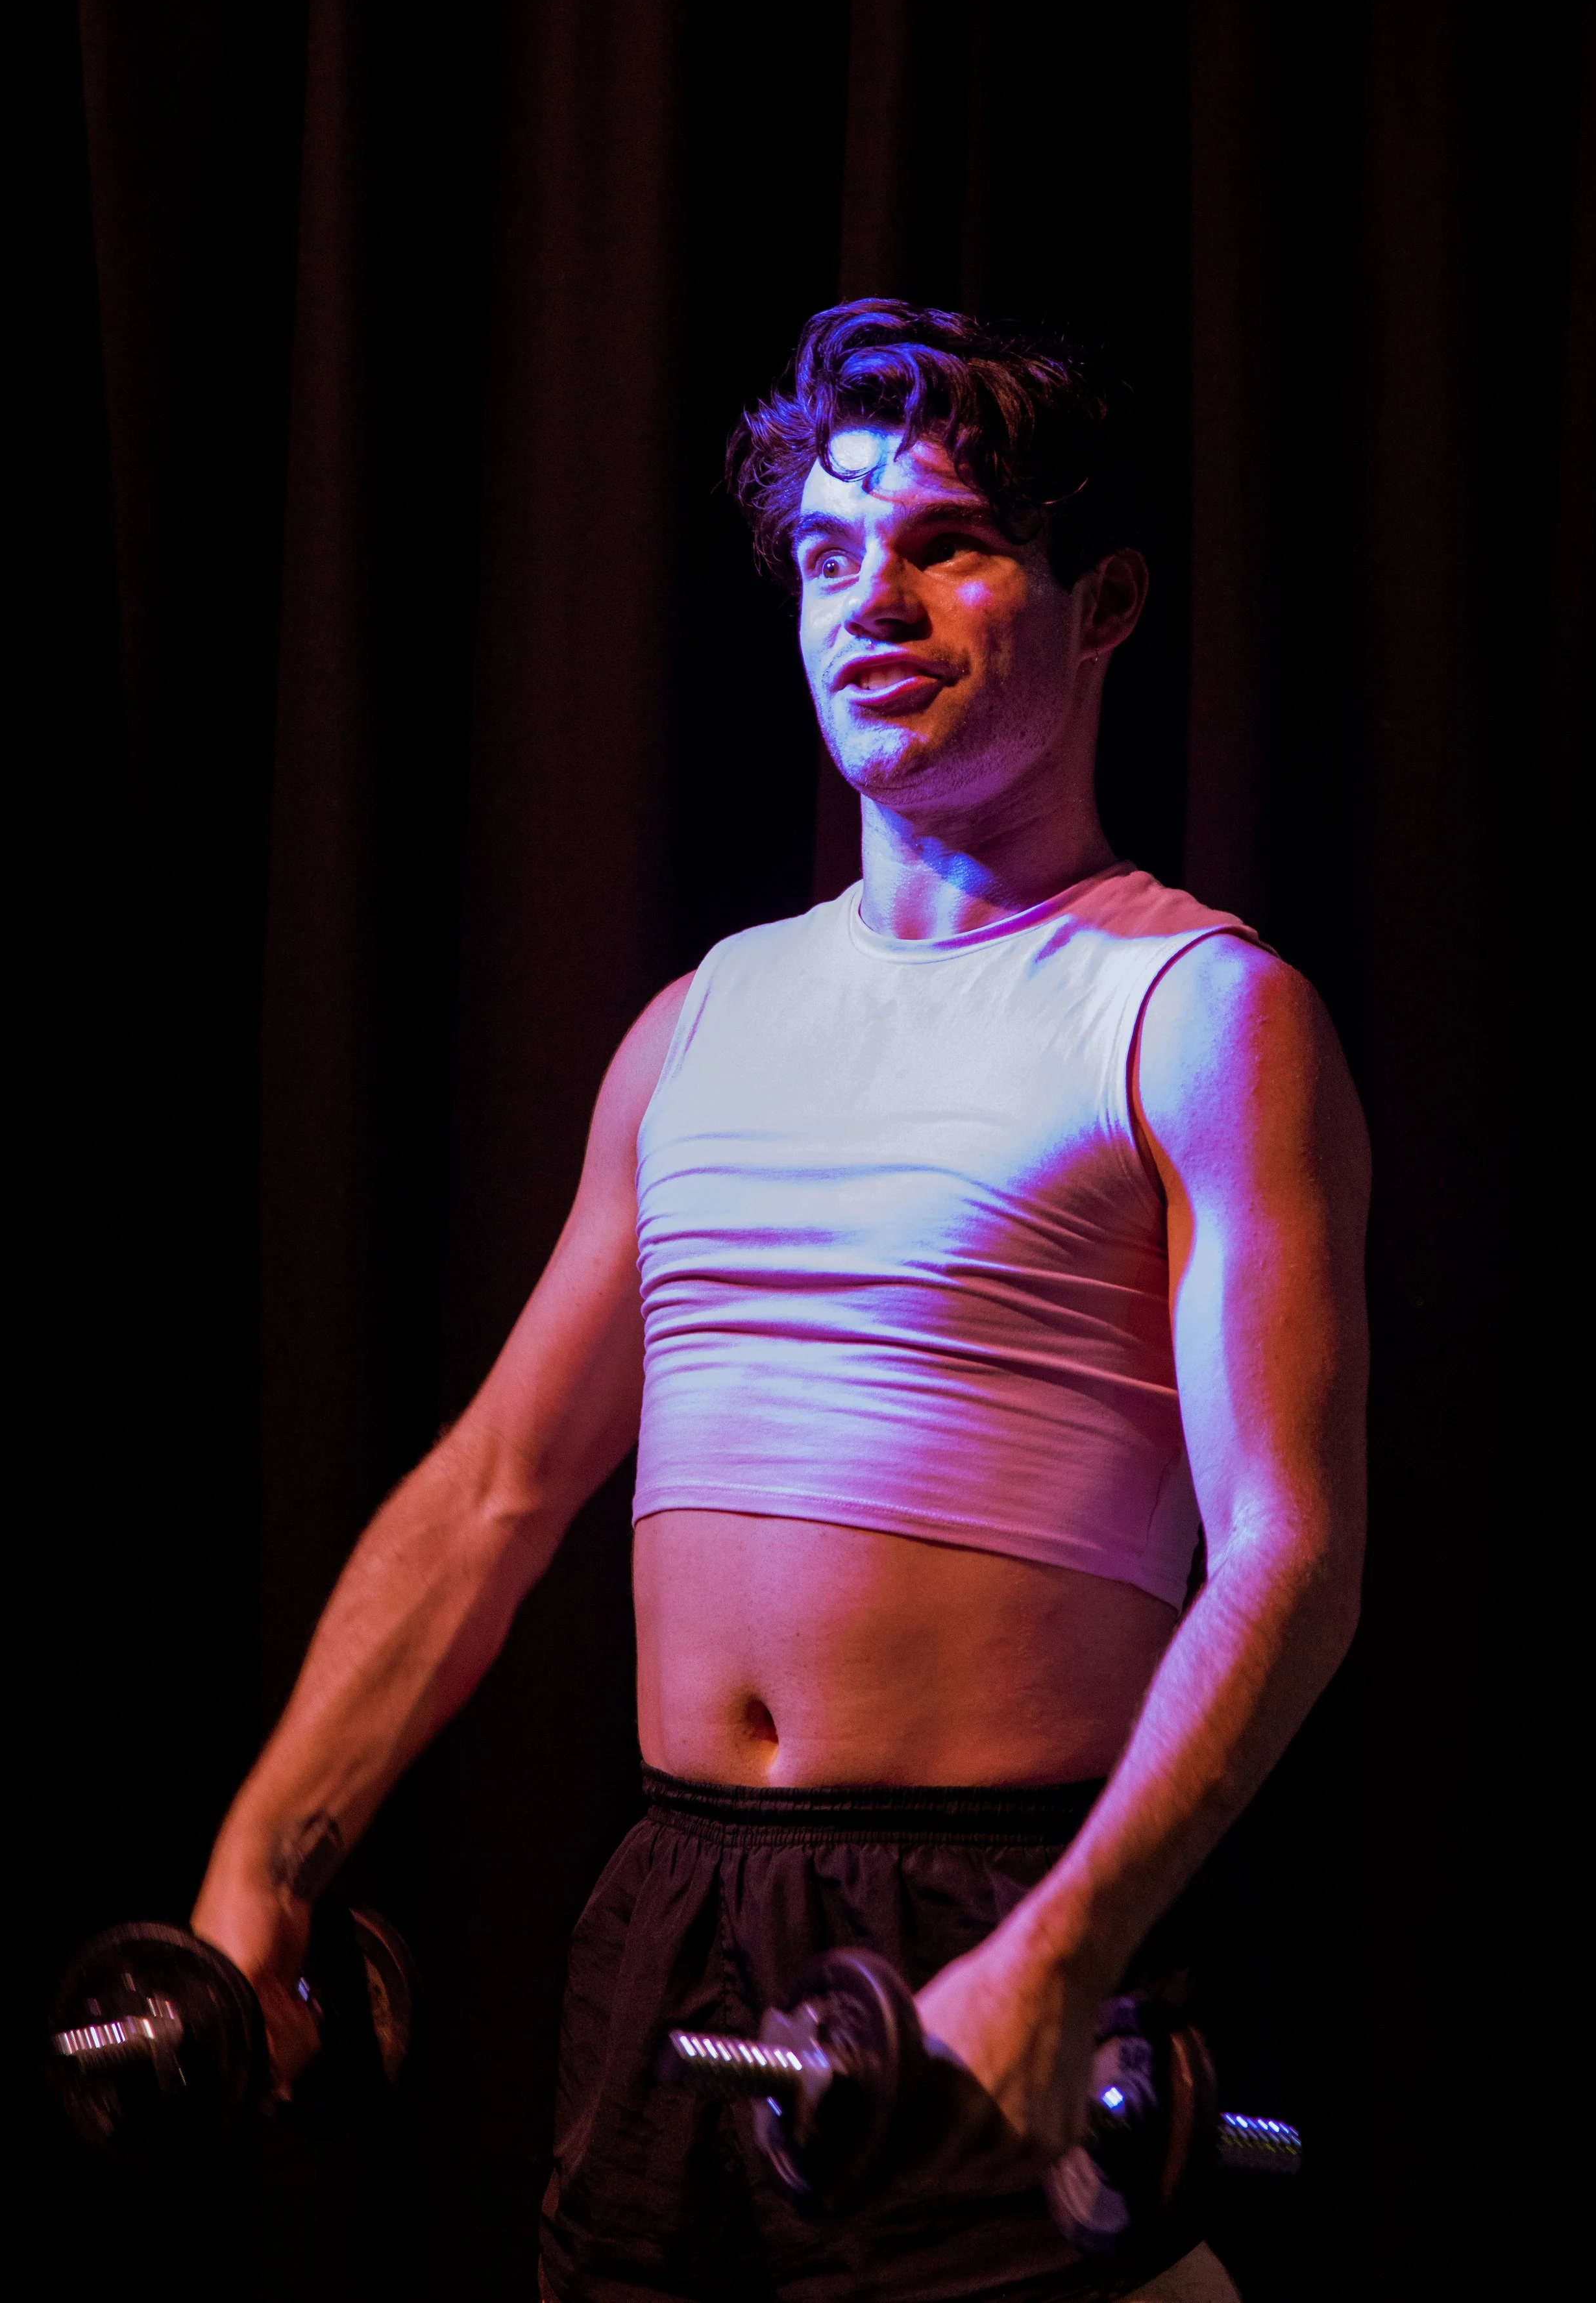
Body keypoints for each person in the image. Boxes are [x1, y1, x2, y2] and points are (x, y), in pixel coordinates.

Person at [194, 301, 1369, 2300]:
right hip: (670, 1911)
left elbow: (1288, 1554)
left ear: (1102, 602)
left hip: (994, 1890)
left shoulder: (1188, 1014)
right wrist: (261, 1867)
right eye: (829, 557)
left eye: (944, 543)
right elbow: (494, 1491)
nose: (871, 601)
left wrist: (1062, 1947)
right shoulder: (699, 1020)